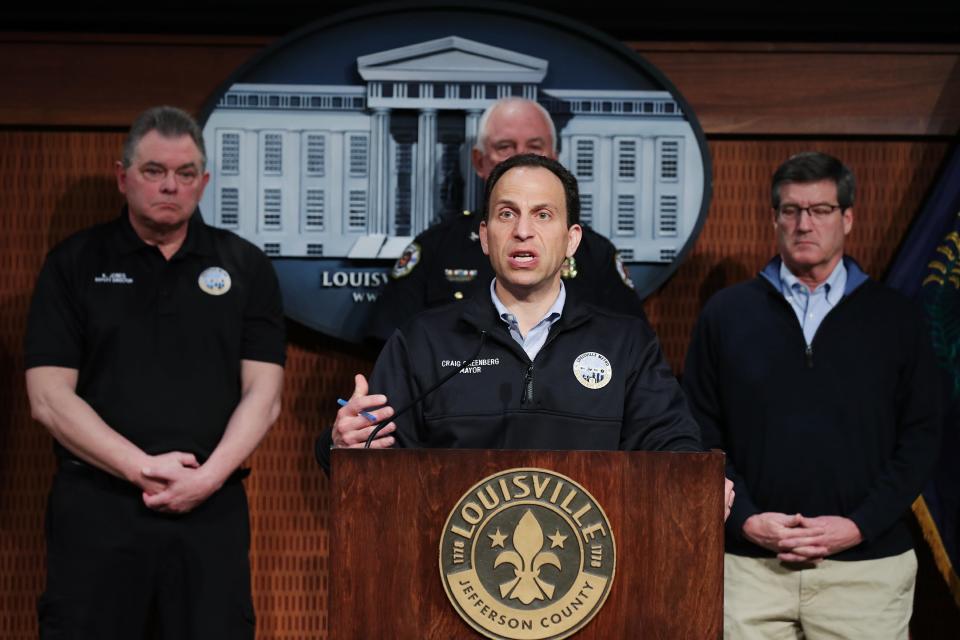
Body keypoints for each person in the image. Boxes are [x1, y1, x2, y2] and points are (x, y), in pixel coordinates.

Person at [321, 153, 733, 518]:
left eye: (542, 214)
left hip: (595, 586)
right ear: (485, 237)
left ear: (571, 239)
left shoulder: (625, 343)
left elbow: (672, 446)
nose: (522, 230)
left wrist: (698, 481)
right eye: (506, 214)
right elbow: (371, 454)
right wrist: (344, 443)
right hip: (447, 585)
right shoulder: (424, 340)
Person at [24, 106, 286, 639]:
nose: (170, 186)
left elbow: (265, 394)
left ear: (204, 181)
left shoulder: (245, 266)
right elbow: (48, 397)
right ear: (123, 177)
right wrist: (140, 468)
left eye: (185, 173)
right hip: (99, 508)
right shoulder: (73, 263)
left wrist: (207, 479)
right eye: (153, 171)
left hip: (210, 511)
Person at [682, 151, 941, 639]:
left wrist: (859, 525)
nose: (804, 224)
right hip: (747, 568)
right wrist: (746, 520)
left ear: (847, 218)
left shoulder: (897, 318)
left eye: (820, 210)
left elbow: (923, 437)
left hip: (866, 571)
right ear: (774, 218)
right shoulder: (726, 314)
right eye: (791, 210)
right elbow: (698, 431)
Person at [364, 97, 644, 342]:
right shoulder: (435, 249)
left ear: (555, 158)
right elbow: (394, 354)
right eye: (506, 147)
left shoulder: (596, 255)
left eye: (535, 147)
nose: (522, 158)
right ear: (479, 161)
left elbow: (632, 350)